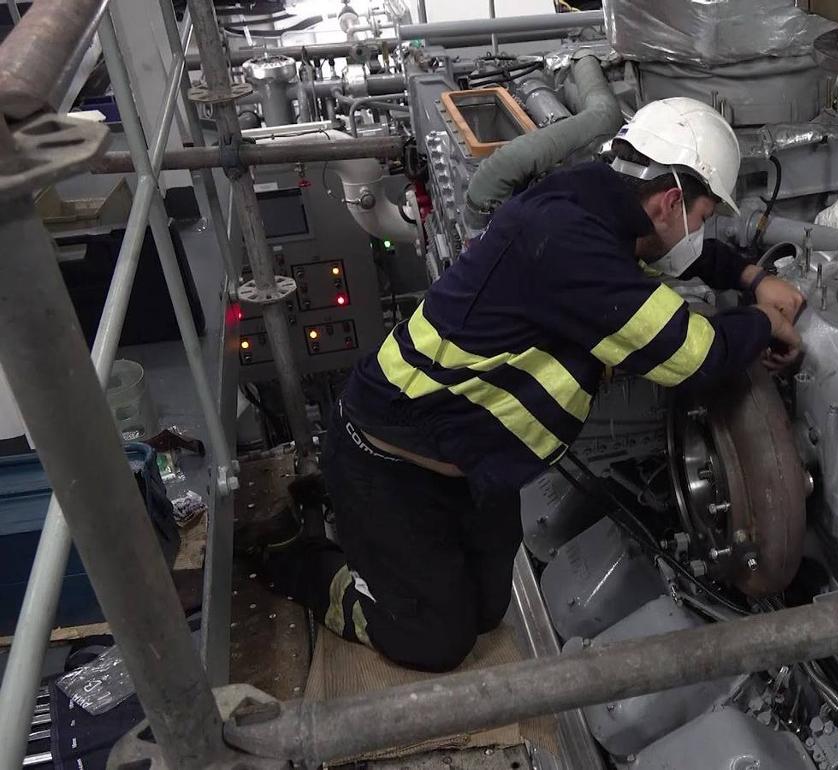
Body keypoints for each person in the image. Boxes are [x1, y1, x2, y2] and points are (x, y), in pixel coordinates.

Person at [260, 97, 805, 671]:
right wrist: (763, 322)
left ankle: (367, 534)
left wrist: (750, 276)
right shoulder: (572, 244)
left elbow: (666, 254)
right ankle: (302, 554)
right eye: (704, 216)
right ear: (670, 201)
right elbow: (691, 354)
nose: (701, 231)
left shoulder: (594, 199)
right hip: (389, 457)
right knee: (435, 641)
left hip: (471, 464)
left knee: (487, 611)